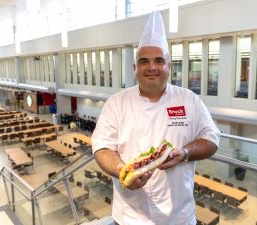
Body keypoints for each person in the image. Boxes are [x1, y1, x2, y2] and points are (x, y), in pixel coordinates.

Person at [91, 11, 220, 225]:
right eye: (144, 61)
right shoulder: (116, 102)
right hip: (131, 217)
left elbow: (212, 139)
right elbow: (102, 147)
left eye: (159, 60)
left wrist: (186, 153)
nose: (152, 67)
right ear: (135, 68)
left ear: (169, 66)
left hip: (179, 216)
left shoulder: (188, 100)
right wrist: (123, 171)